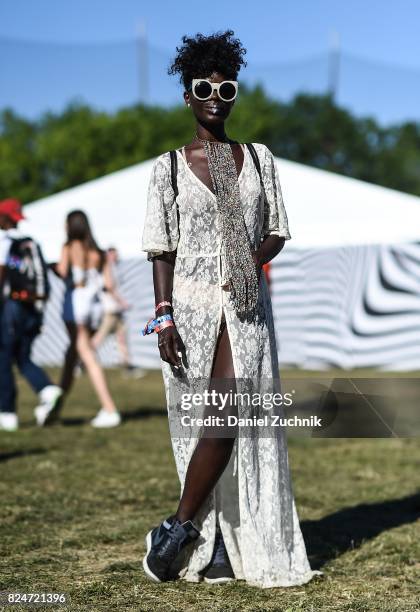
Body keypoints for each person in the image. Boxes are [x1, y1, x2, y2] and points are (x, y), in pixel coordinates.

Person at [140, 31, 319, 588]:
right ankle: (213, 547)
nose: (216, 95)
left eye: (226, 87)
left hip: (244, 307)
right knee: (206, 426)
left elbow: (278, 230)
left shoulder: (257, 159)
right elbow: (160, 248)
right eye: (203, 87)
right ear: (188, 97)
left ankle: (176, 529)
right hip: (190, 311)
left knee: (227, 417)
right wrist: (163, 314)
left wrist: (249, 261)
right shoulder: (168, 169)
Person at [0, 198, 62, 431]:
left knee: (4, 358)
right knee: (21, 356)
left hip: (12, 309)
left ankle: (7, 413)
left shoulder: (5, 241)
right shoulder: (30, 243)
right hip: (34, 309)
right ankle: (47, 389)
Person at [56, 210, 121, 428]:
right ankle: (54, 408)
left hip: (76, 304)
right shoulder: (99, 252)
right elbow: (109, 284)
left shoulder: (68, 247)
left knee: (87, 355)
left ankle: (110, 408)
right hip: (95, 307)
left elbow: (63, 271)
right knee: (72, 354)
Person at [91, 247, 144, 377]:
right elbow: (109, 288)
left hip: (115, 310)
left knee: (121, 337)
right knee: (98, 339)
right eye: (114, 254)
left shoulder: (110, 268)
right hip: (111, 310)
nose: (116, 257)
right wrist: (122, 303)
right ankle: (81, 361)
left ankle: (127, 365)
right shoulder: (107, 267)